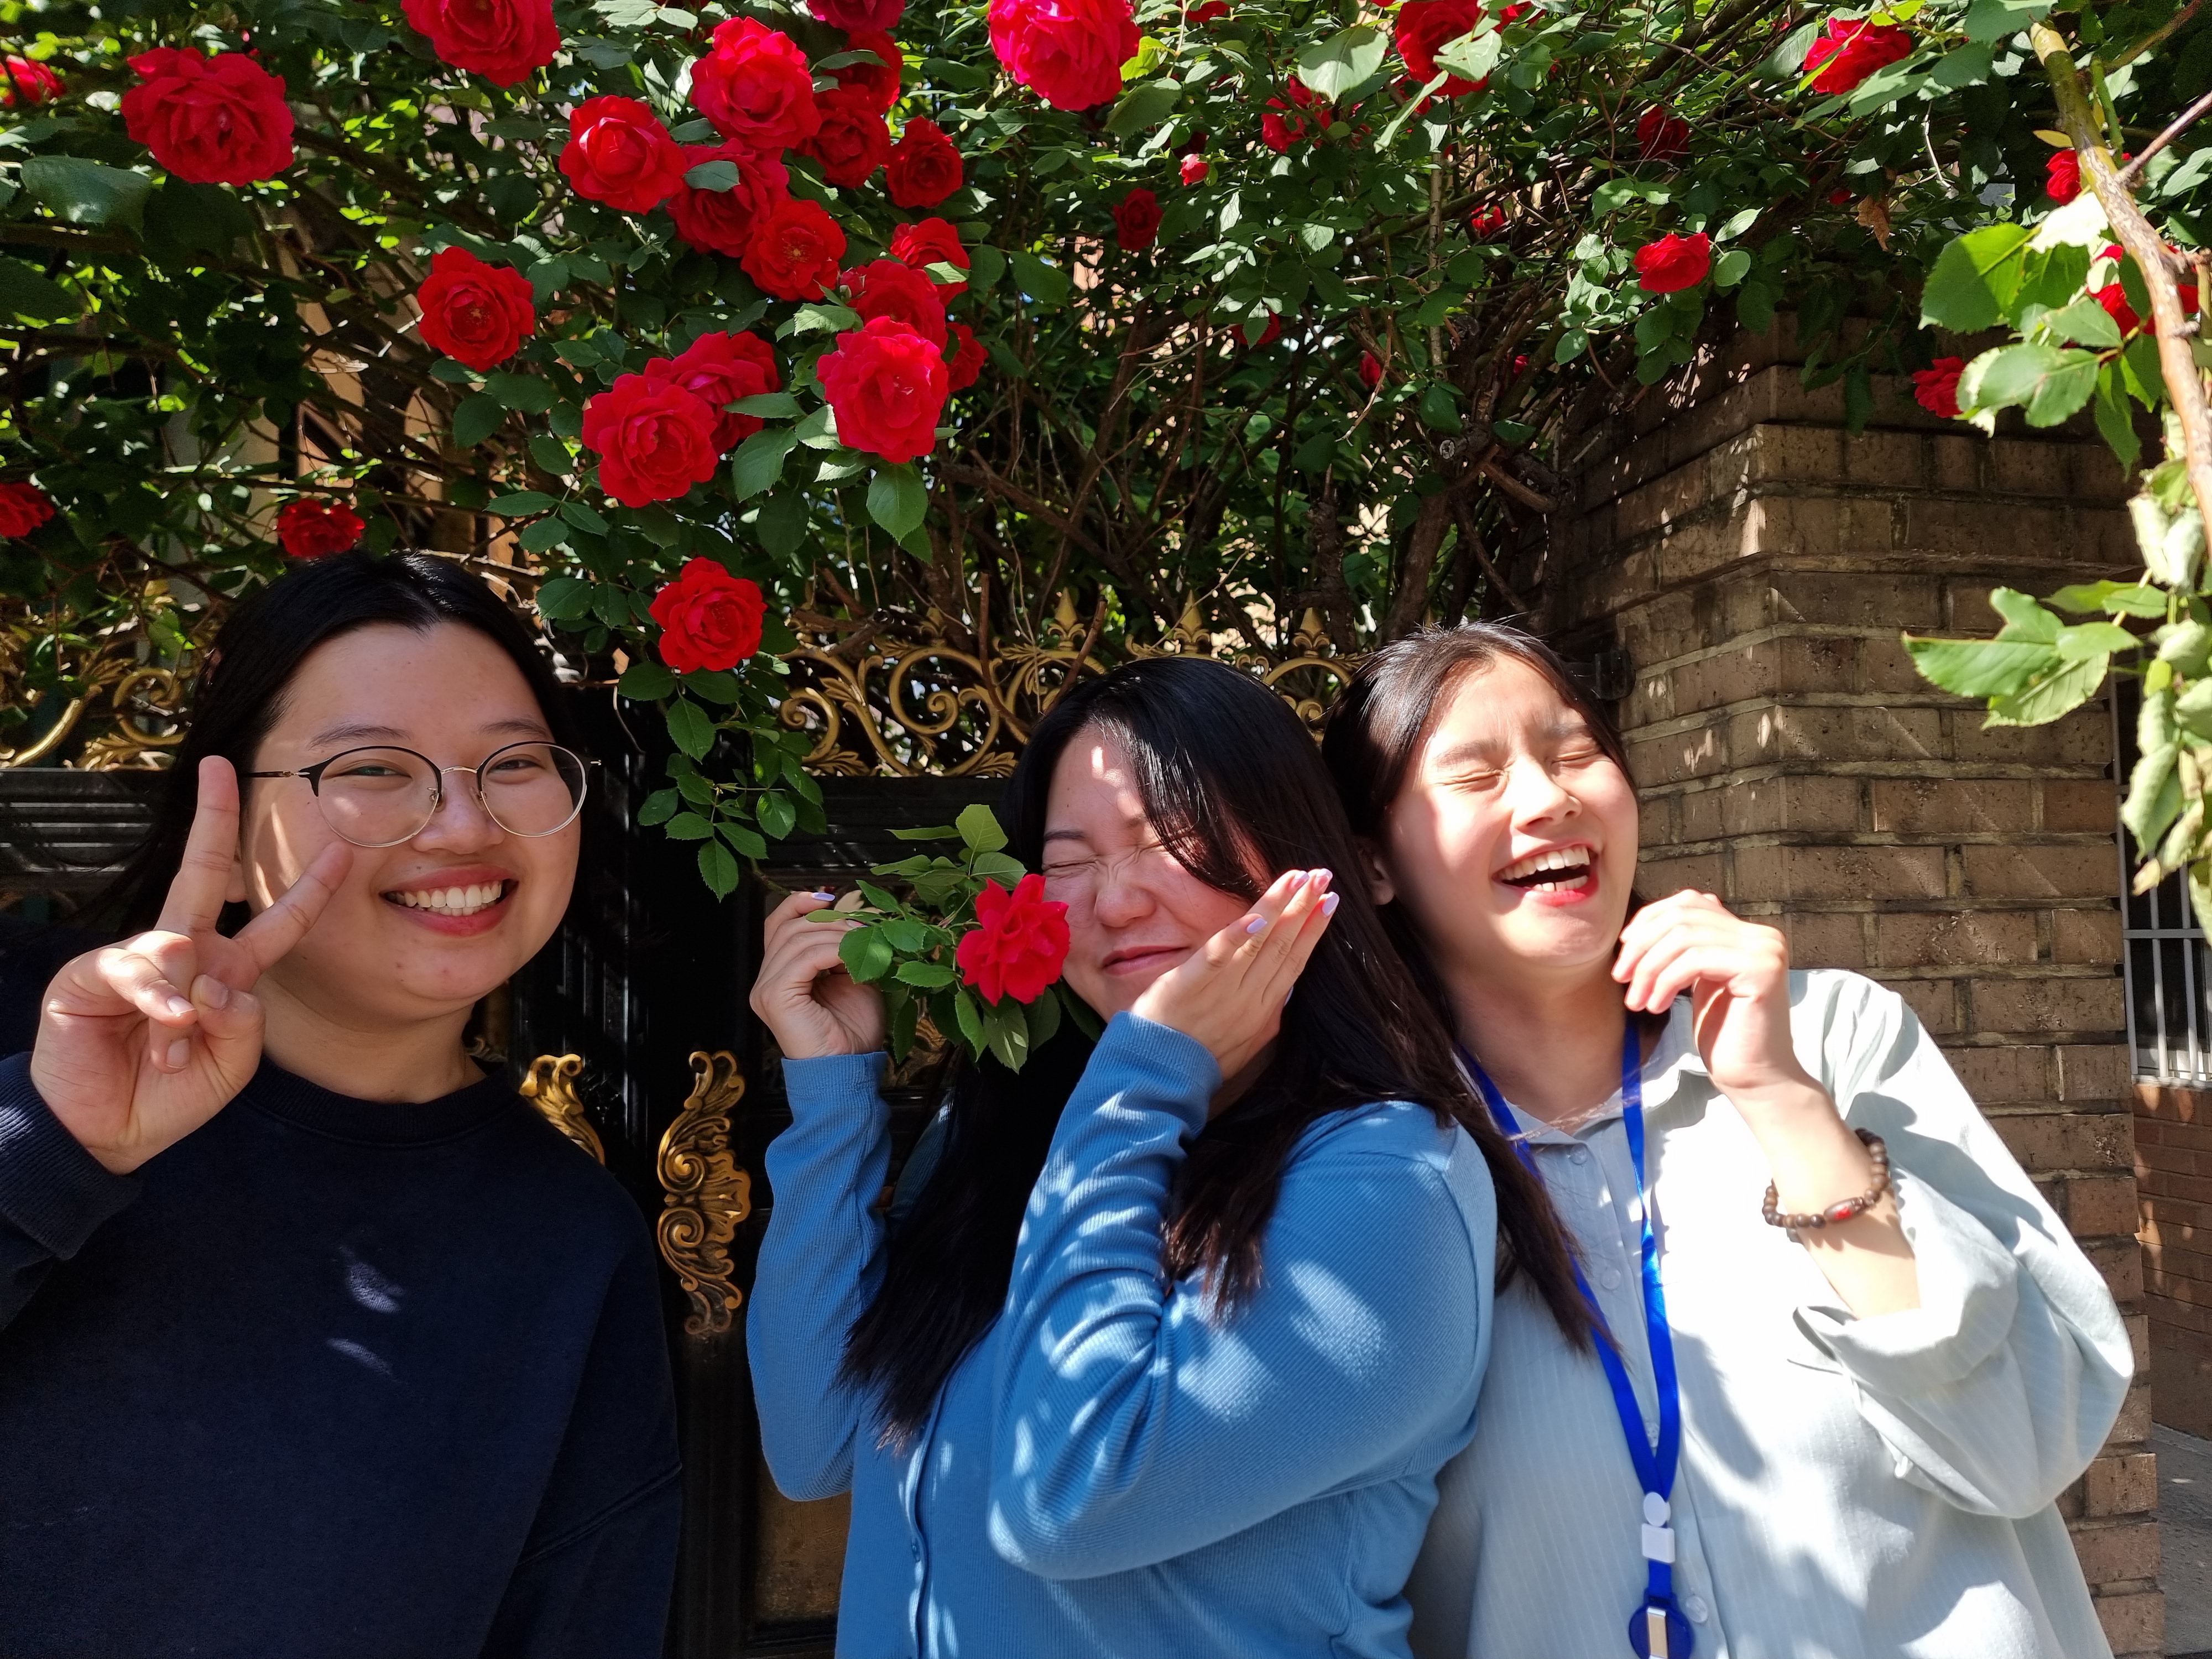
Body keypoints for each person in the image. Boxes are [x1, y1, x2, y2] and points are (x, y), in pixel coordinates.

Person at [745, 655, 1589, 1659]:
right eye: (1068, 861)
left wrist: (1143, 1078)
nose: (1115, 902)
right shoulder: (1029, 1138)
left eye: (1168, 840)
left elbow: (1068, 1498)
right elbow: (814, 1443)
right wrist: (835, 1093)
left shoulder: (1391, 1183)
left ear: (1299, 856)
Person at [1323, 623, 2133, 1659]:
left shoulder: (1834, 1038)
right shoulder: (1368, 1172)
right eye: (1477, 777)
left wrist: (1781, 1097)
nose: (1549, 798)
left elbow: (2026, 1448)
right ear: (1373, 863)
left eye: (1577, 753)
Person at [0, 552, 680, 1658]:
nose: (460, 826)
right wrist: (48, 1144)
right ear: (223, 822)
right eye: (371, 767)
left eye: (513, 763)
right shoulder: (39, 1046)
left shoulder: (567, 1237)